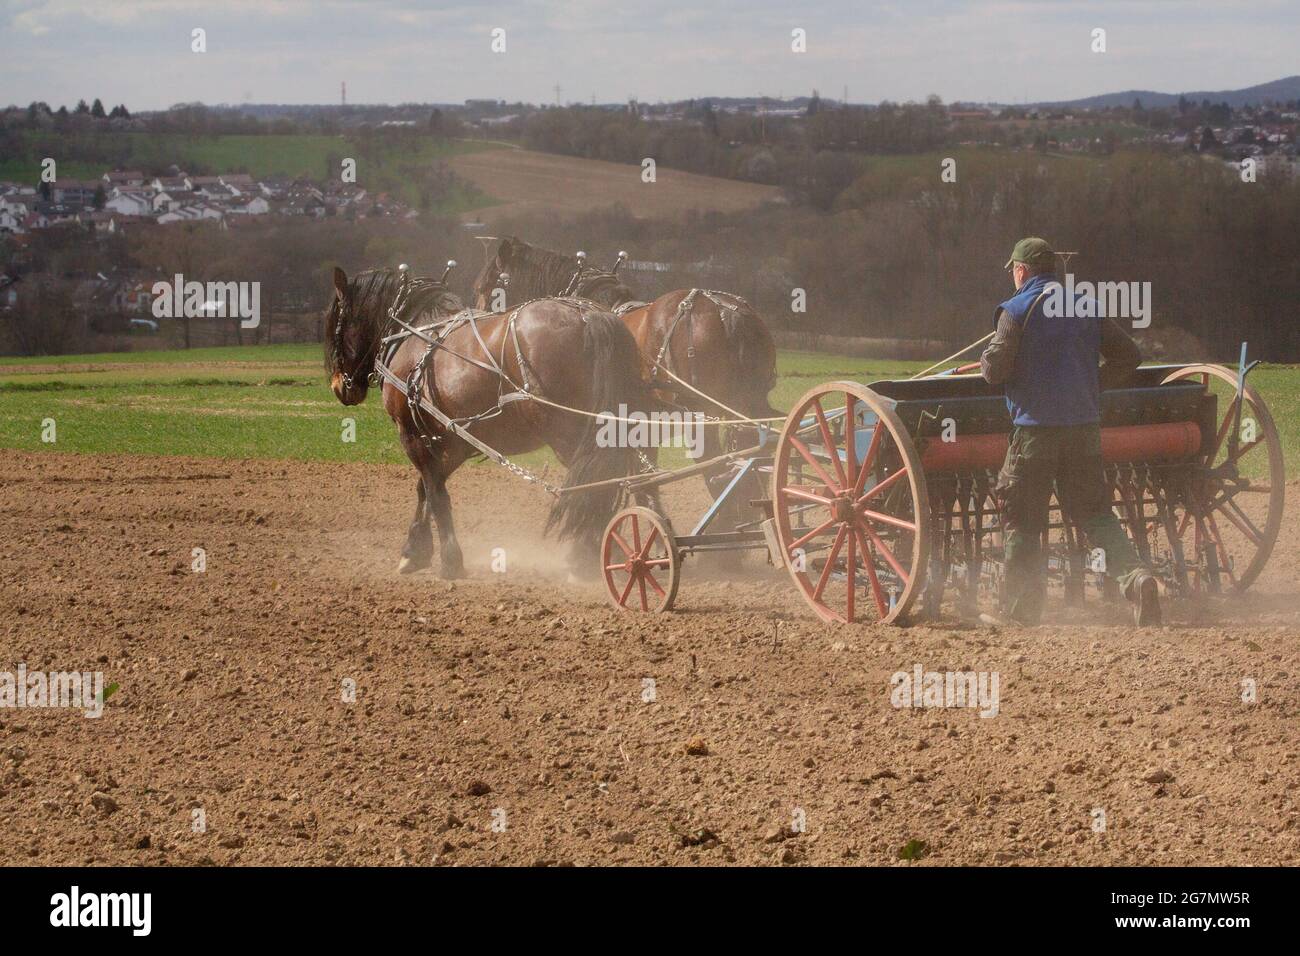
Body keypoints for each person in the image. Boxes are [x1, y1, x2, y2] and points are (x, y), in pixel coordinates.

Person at [980, 237, 1161, 626]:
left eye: (1013, 270)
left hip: (1034, 433)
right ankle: (1136, 579)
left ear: (1021, 271)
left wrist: (987, 357)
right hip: (1084, 430)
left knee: (1023, 519)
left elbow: (995, 372)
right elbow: (1130, 355)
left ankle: (1019, 612)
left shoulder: (1014, 310)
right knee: (1095, 513)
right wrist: (1092, 385)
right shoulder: (1087, 306)